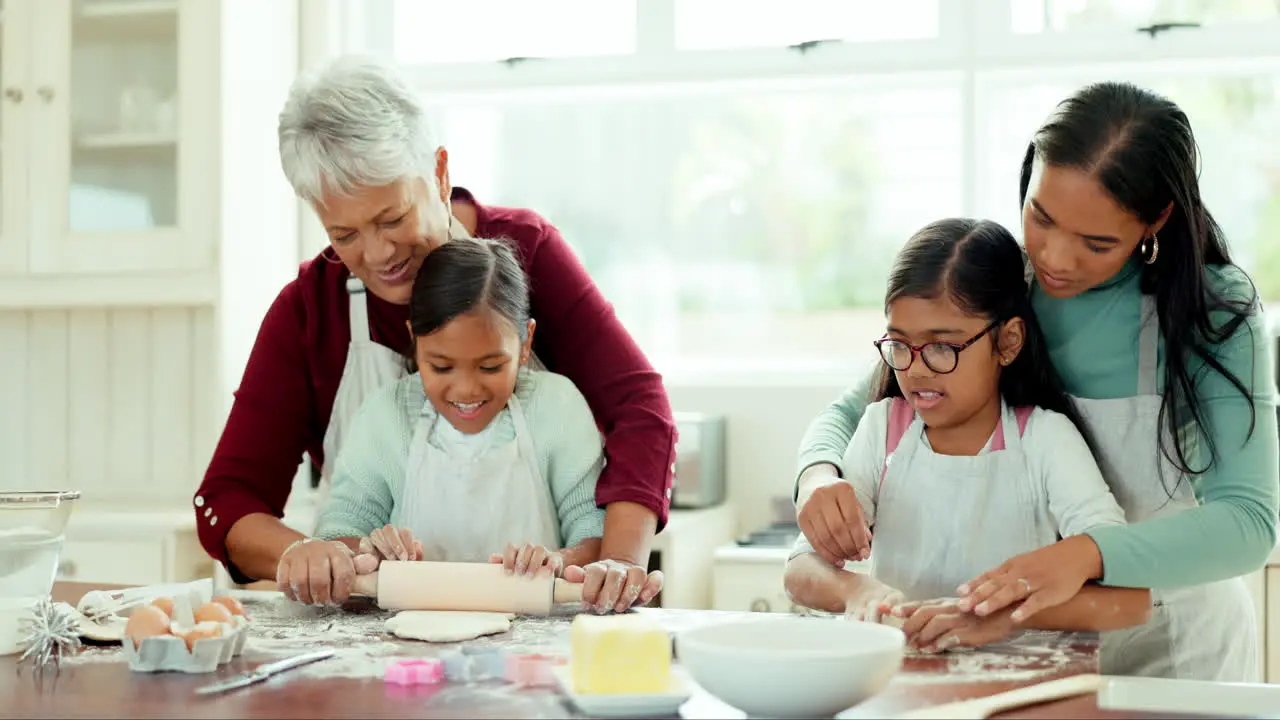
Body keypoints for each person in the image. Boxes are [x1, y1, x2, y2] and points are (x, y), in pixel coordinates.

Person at [793, 82, 1278, 680]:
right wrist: (818, 475)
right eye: (1040, 217)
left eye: (1097, 242)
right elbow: (859, 407)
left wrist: (1080, 557)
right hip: (1030, 638)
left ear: (1156, 220)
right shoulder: (1004, 280)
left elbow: (1249, 523)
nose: (1056, 258)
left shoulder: (1214, 310)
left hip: (1175, 642)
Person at [192, 55, 673, 613]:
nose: (377, 255)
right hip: (379, 637)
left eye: (392, 218)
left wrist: (614, 571)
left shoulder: (526, 252)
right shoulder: (309, 310)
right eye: (343, 233)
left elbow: (640, 407)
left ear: (439, 174)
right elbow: (227, 498)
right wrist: (309, 552)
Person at [784, 218, 1151, 653]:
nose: (916, 368)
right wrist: (854, 591)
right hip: (903, 691)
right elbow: (799, 570)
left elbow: (1129, 599)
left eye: (944, 347)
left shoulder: (1045, 441)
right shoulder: (883, 429)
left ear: (1008, 341)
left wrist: (1001, 617)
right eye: (900, 344)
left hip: (1019, 694)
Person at [310, 237, 608, 580]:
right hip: (404, 631)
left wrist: (560, 561)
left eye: (491, 367)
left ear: (525, 343)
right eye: (440, 367)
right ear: (415, 339)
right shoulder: (385, 416)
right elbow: (336, 535)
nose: (466, 390)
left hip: (537, 628)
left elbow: (594, 532)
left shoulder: (556, 407)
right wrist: (366, 553)